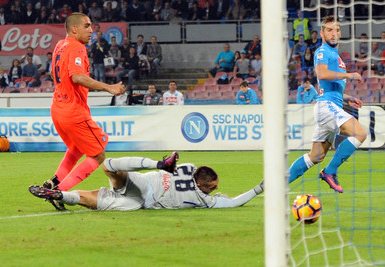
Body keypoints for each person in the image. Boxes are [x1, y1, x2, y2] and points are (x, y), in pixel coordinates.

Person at [41, 13, 125, 211]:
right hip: (73, 110)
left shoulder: (60, 45)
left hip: (58, 107)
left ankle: (54, 182)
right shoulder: (77, 47)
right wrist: (108, 87)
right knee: (98, 154)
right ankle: (61, 191)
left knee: (77, 148)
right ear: (74, 29)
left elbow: (54, 73)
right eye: (87, 26)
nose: (91, 30)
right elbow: (77, 76)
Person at [288, 15, 367, 193]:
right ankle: (330, 172)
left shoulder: (335, 56)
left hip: (330, 105)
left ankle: (279, 184)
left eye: (337, 30)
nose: (334, 33)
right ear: (322, 33)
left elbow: (326, 86)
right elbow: (322, 74)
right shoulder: (323, 52)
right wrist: (349, 75)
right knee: (360, 133)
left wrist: (346, 97)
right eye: (329, 30)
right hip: (326, 107)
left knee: (316, 156)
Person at [28, 153, 264, 211]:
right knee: (89, 200)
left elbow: (199, 173)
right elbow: (233, 203)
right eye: (214, 186)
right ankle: (61, 196)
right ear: (203, 185)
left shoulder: (188, 168)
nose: (216, 189)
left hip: (144, 183)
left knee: (109, 166)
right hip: (141, 203)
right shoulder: (203, 199)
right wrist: (260, 188)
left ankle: (60, 195)